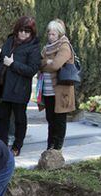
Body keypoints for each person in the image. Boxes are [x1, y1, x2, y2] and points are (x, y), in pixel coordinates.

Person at [0, 16, 41, 156]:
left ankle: (17, 146)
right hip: (3, 86)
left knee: (20, 119)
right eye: (21, 30)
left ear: (32, 33)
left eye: (27, 31)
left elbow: (32, 70)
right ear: (17, 30)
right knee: (3, 118)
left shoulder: (33, 47)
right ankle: (1, 145)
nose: (24, 34)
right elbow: (1, 59)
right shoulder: (9, 41)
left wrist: (13, 64)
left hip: (20, 88)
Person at [39, 19, 75, 150]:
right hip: (48, 90)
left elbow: (55, 65)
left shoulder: (64, 46)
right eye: (49, 33)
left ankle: (57, 149)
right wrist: (45, 62)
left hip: (61, 91)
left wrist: (47, 63)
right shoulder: (46, 48)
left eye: (53, 34)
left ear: (59, 34)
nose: (50, 36)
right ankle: (50, 147)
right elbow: (39, 63)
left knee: (59, 120)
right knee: (50, 120)